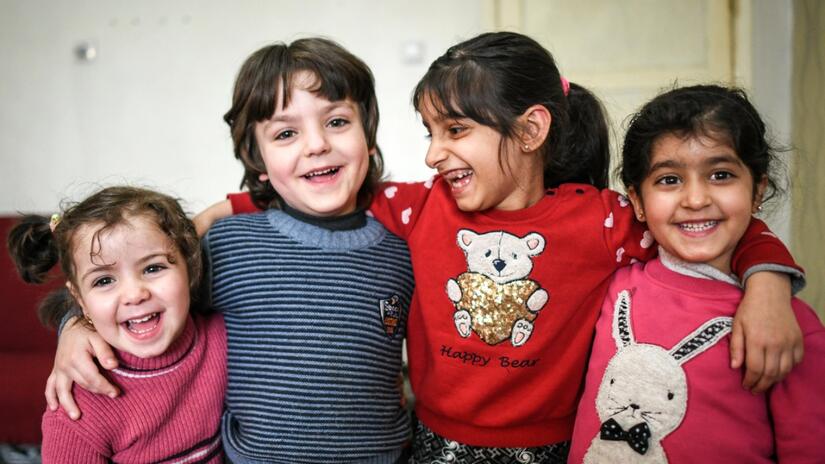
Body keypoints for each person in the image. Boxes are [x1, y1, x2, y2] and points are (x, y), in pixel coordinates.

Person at [205, 32, 804, 462]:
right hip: (431, 442)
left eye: (456, 130)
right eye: (430, 133)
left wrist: (769, 281)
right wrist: (217, 212)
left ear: (531, 129)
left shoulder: (601, 220)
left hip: (549, 448)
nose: (434, 153)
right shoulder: (421, 206)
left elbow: (693, 222)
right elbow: (318, 196)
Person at [46, 38, 415, 463]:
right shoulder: (230, 244)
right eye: (287, 132)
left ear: (368, 135)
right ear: (257, 159)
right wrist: (75, 330)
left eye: (336, 122)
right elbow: (140, 294)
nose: (316, 144)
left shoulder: (402, 249)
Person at [568, 84, 825, 463]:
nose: (696, 199)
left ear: (757, 191)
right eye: (669, 180)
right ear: (637, 200)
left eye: (721, 175)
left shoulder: (785, 325)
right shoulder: (613, 280)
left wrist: (769, 283)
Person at [7, 186, 226, 463]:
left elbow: (281, 204)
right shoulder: (79, 408)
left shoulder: (222, 336)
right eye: (104, 281)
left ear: (191, 268)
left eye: (153, 268)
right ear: (80, 300)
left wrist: (208, 217)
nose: (135, 294)